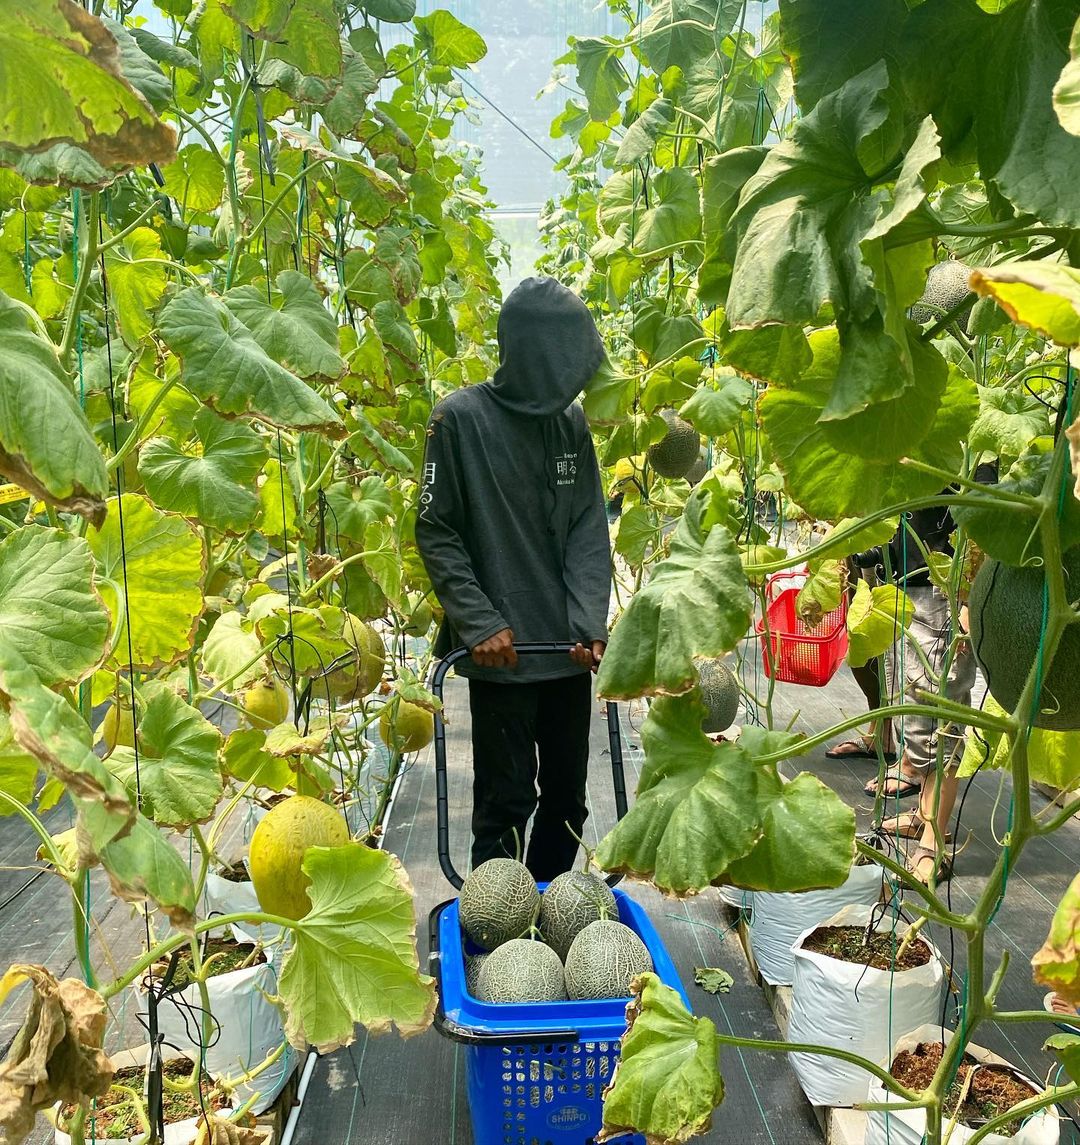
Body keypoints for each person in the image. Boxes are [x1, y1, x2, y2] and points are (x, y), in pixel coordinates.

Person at [415, 277, 611, 882]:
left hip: (563, 649)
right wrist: (479, 622)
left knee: (567, 802)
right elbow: (436, 530)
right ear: (533, 355)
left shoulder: (569, 426)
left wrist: (588, 626)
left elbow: (586, 529)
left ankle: (549, 914)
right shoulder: (457, 420)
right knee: (505, 803)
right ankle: (496, 932)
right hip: (500, 654)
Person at [854, 498, 977, 883]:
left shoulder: (968, 449)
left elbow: (982, 515)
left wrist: (970, 596)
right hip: (906, 586)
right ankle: (923, 816)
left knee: (940, 716)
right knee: (915, 712)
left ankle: (934, 841)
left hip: (943, 592)